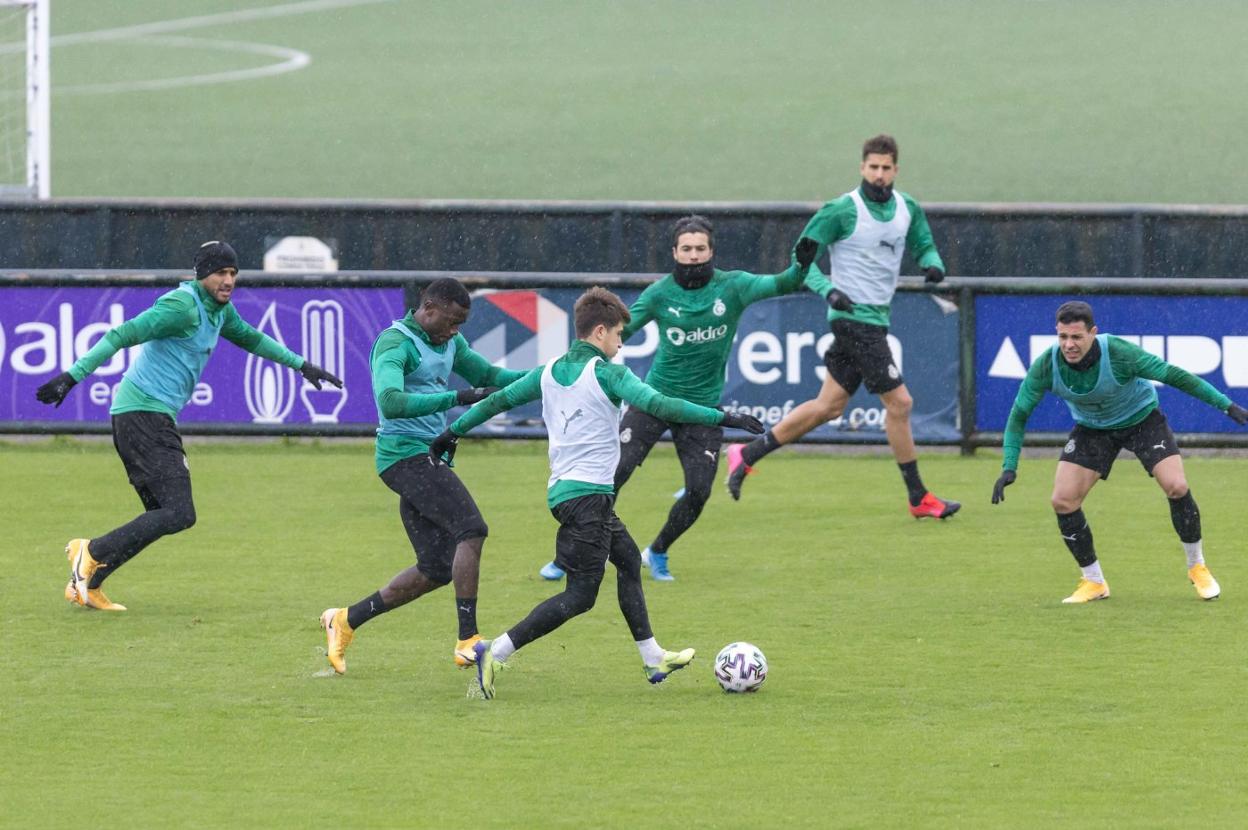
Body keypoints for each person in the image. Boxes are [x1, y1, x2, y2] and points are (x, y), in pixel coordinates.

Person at [427, 287, 764, 699]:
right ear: (599, 331)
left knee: (626, 559)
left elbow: (496, 401)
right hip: (588, 497)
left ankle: (653, 656)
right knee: (579, 597)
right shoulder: (609, 373)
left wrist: (451, 432)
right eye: (619, 335)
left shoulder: (548, 371)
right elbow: (663, 406)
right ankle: (494, 651)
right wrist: (723, 416)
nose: (622, 343)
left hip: (568, 493)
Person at [36, 241, 342, 611]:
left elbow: (253, 339)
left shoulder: (219, 311)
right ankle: (91, 551)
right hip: (142, 415)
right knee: (179, 513)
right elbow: (120, 336)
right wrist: (71, 377)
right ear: (201, 275)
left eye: (233, 274)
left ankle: (86, 582)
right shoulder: (181, 307)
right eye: (220, 273)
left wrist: (302, 365)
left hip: (146, 417)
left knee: (163, 514)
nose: (228, 280)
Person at [539, 214, 813, 582]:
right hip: (654, 401)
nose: (694, 255)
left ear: (711, 251)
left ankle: (658, 551)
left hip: (701, 408)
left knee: (699, 491)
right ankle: (570, 555)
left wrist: (803, 262)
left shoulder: (734, 286)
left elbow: (786, 282)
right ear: (675, 252)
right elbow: (617, 331)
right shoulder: (659, 294)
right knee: (612, 475)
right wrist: (582, 363)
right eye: (687, 249)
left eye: (701, 248)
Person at [725, 134, 960, 519]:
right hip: (853, 320)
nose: (880, 174)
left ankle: (747, 453)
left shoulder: (908, 208)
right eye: (873, 167)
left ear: (896, 170)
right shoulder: (841, 210)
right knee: (900, 404)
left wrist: (934, 264)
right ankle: (918, 497)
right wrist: (828, 290)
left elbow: (924, 244)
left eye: (886, 168)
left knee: (829, 406)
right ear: (862, 167)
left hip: (875, 321)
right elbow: (801, 258)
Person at [319, 278, 529, 674]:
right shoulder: (395, 343)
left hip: (427, 456)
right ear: (428, 307)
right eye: (451, 321)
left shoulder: (449, 342)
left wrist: (549, 375)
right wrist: (456, 398)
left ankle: (345, 620)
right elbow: (391, 402)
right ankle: (469, 640)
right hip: (403, 456)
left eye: (461, 324)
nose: (456, 331)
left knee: (435, 567)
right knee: (472, 528)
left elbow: (489, 374)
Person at [991, 300, 1248, 603]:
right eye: (1062, 337)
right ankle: (1094, 582)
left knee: (1176, 486)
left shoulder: (1119, 353)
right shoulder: (1047, 365)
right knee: (1062, 500)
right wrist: (1009, 466)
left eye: (1076, 337)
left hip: (1142, 420)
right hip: (1092, 429)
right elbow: (1019, 414)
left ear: (1093, 333)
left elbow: (1174, 375)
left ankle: (1197, 567)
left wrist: (1226, 405)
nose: (1069, 345)